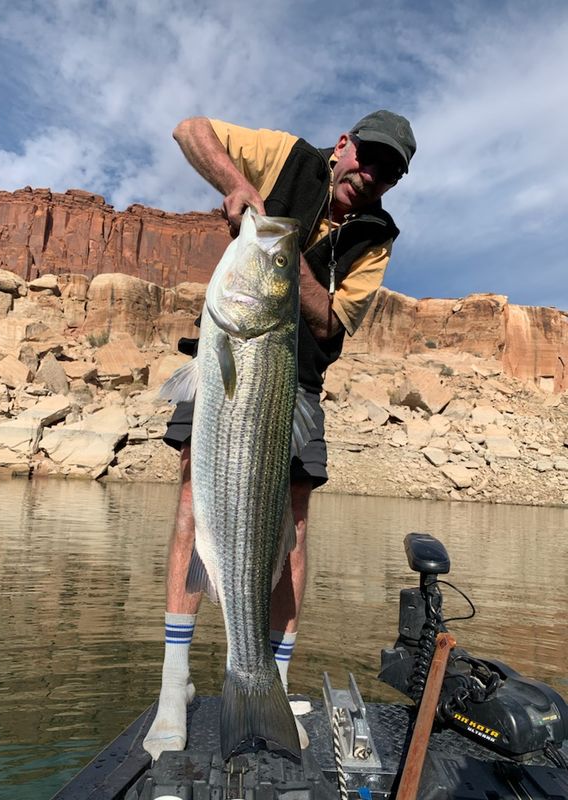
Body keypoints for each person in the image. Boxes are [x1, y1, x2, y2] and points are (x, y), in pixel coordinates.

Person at [143, 110, 416, 758]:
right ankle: (173, 686)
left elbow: (330, 323)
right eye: (368, 156)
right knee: (192, 504)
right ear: (343, 145)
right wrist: (238, 184)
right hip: (230, 366)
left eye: (389, 172)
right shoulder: (287, 157)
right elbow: (189, 130)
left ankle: (270, 680)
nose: (372, 173)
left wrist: (282, 260)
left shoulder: (376, 237)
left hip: (297, 384)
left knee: (292, 531)